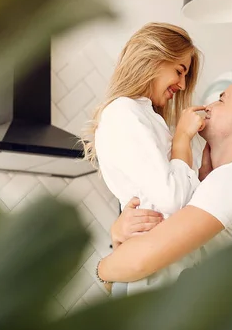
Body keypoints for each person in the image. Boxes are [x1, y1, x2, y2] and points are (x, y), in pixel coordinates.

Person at [95, 75, 232, 286]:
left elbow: (140, 260)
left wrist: (101, 271)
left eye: (222, 100)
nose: (209, 105)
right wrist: (119, 232)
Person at [82, 22, 210, 296]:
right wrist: (182, 139)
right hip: (151, 272)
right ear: (153, 58)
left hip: (158, 264)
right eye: (179, 71)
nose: (183, 84)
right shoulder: (124, 112)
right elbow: (172, 198)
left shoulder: (144, 115)